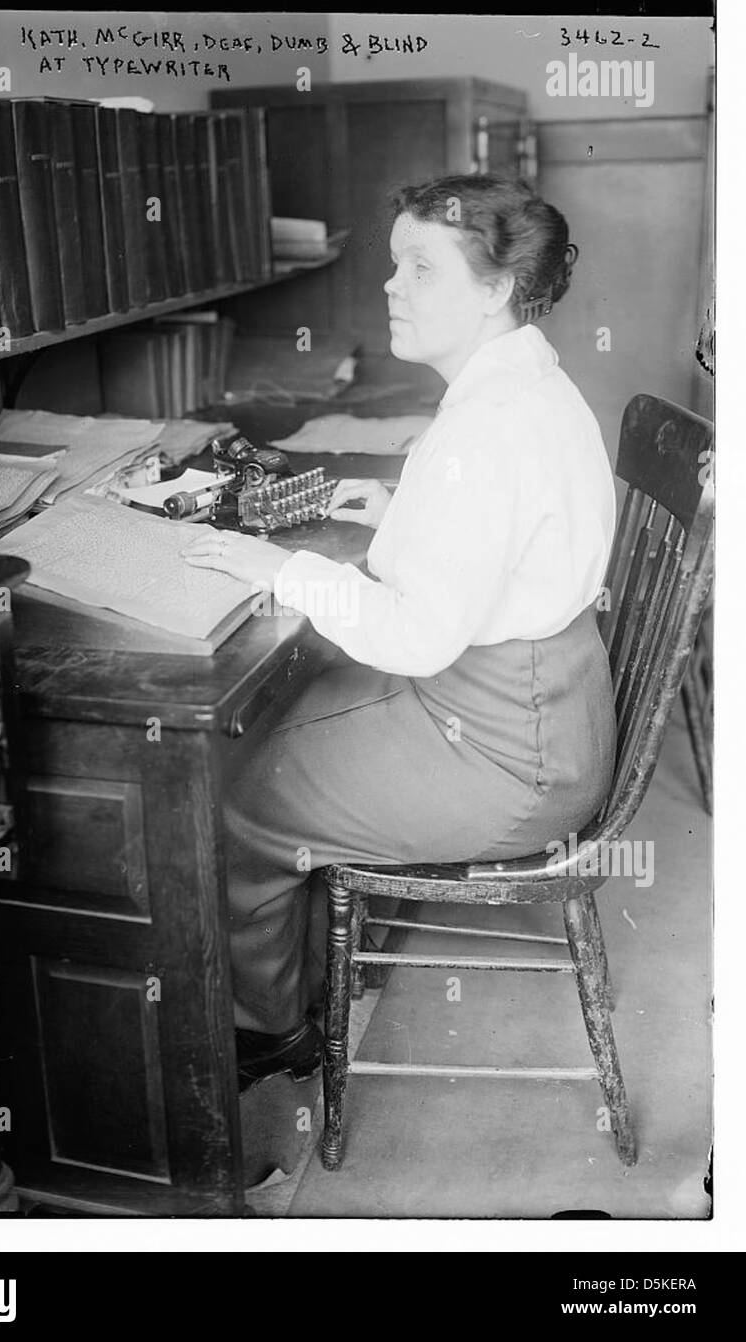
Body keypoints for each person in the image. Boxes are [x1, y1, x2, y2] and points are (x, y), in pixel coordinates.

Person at [182, 174, 617, 1092]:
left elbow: (418, 638)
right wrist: (396, 508)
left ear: (495, 288)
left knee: (230, 800)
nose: (391, 286)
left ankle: (271, 1027)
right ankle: (318, 950)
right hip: (545, 709)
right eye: (394, 264)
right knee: (285, 717)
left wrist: (281, 569)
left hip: (509, 756)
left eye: (421, 267)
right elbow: (493, 541)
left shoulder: (485, 429)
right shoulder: (525, 384)